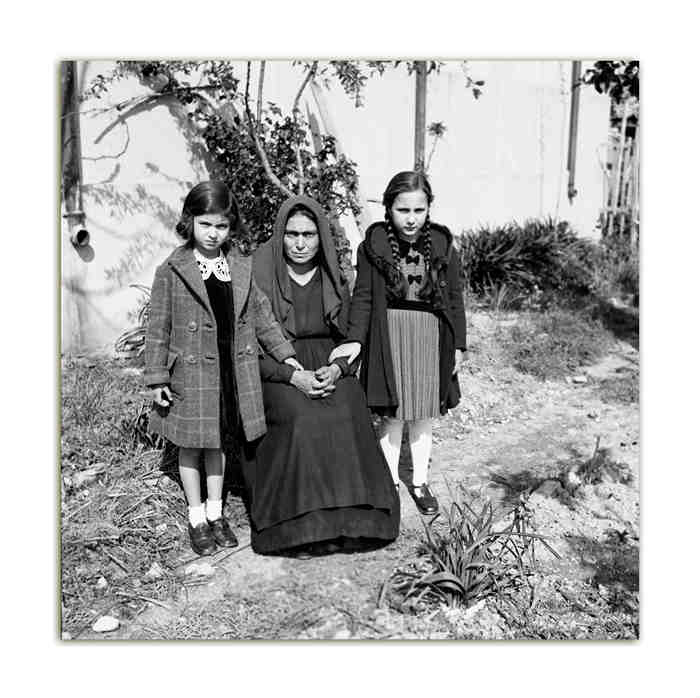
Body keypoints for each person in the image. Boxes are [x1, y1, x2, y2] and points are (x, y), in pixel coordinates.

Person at [144, 181, 298, 556]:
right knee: (191, 446)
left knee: (218, 443)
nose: (213, 234)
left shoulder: (239, 267)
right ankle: (196, 516)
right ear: (190, 222)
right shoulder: (172, 270)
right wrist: (157, 377)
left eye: (222, 226)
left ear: (231, 227)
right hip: (191, 375)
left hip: (230, 369)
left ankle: (216, 512)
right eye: (206, 225)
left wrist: (285, 355)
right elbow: (158, 328)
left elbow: (261, 316)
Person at [247, 194, 400, 557]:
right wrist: (291, 376)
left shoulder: (332, 274)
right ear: (280, 234)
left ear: (321, 237)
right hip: (277, 368)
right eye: (292, 234)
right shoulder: (259, 273)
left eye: (309, 235)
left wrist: (337, 369)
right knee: (302, 417)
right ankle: (302, 529)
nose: (300, 244)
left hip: (327, 363)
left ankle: (355, 523)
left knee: (347, 407)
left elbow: (349, 337)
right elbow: (248, 347)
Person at [329, 171, 467, 515]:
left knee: (423, 412)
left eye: (419, 210)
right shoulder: (372, 246)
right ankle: (389, 482)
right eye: (403, 210)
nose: (411, 218)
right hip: (389, 336)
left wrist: (458, 345)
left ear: (428, 208)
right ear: (388, 208)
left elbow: (454, 298)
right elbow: (363, 298)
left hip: (431, 337)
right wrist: (355, 340)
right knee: (392, 414)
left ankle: (419, 482)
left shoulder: (443, 245)